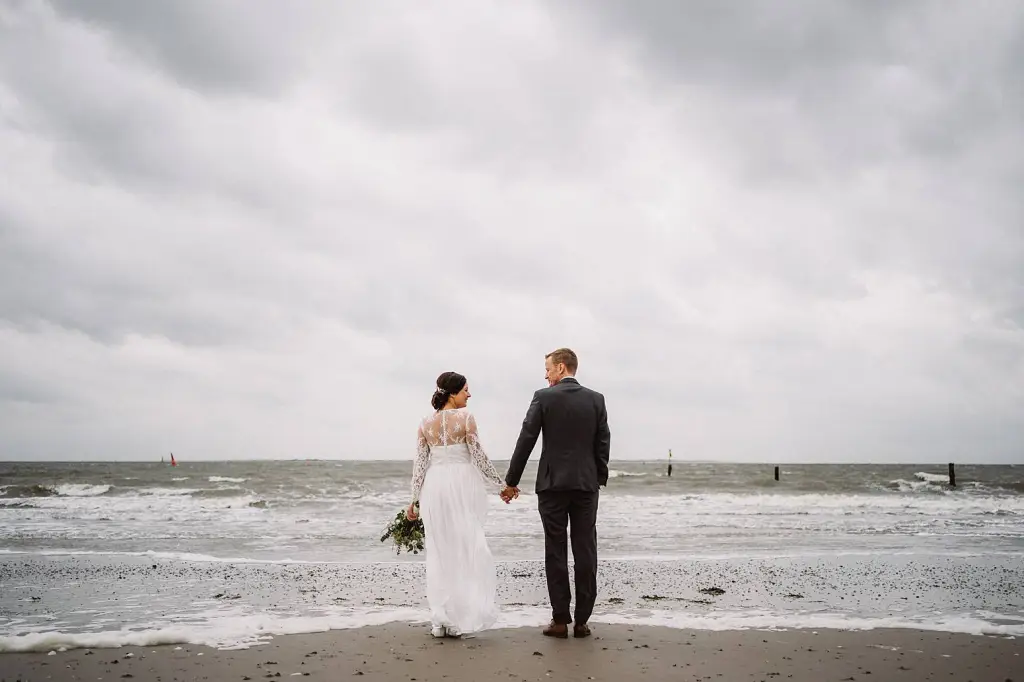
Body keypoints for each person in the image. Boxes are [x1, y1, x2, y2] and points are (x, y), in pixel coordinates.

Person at [502, 348, 610, 639]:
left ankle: (560, 620)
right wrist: (598, 477)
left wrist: (511, 481)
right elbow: (603, 443)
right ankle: (583, 621)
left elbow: (526, 438)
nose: (545, 374)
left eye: (548, 368)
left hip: (551, 486)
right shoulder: (596, 399)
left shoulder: (543, 397)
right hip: (586, 486)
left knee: (556, 550)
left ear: (561, 367)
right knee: (586, 550)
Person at [407, 371, 507, 638]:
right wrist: (501, 485)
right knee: (467, 545)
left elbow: (420, 465)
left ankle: (440, 619)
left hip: (435, 485)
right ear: (452, 393)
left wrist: (414, 501)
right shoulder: (466, 418)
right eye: (465, 390)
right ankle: (460, 615)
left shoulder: (424, 423)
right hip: (462, 483)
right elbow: (479, 456)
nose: (469, 395)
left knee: (439, 550)